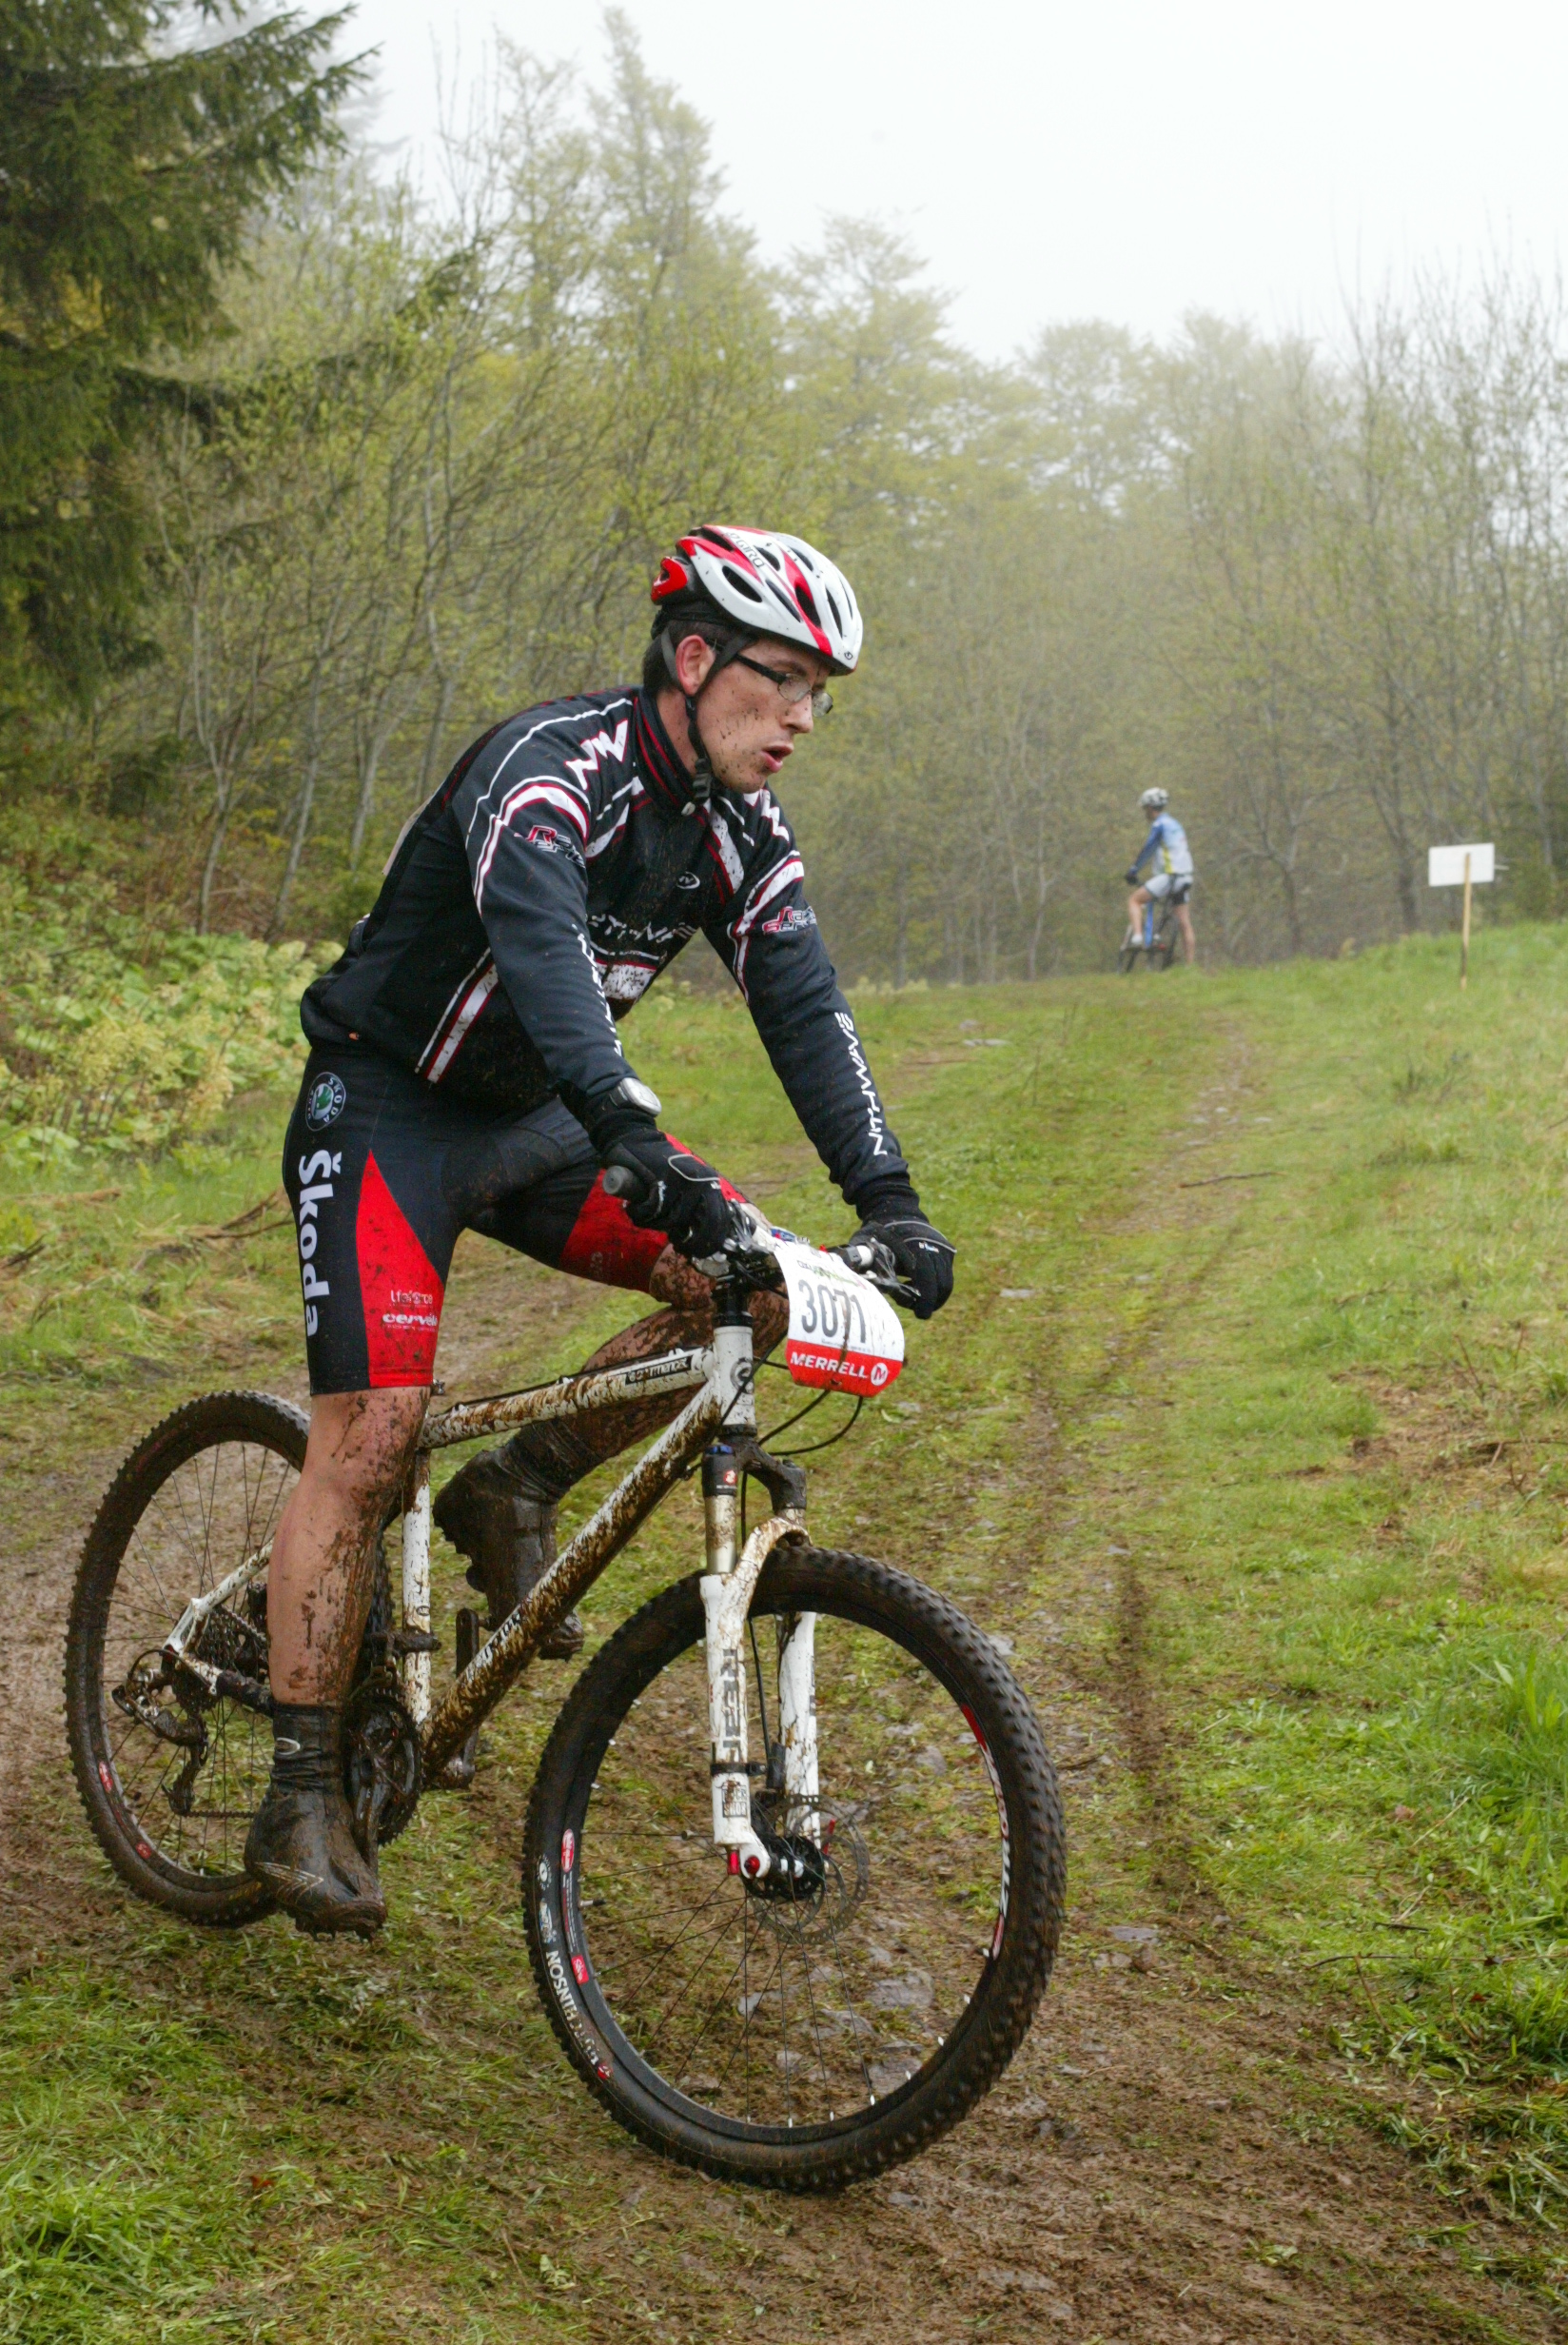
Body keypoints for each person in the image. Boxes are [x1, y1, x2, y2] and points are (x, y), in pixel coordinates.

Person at [244, 524, 956, 1935]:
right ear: (693, 659)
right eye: (781, 681)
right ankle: (299, 1787)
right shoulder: (553, 769)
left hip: (539, 1123)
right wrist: (628, 1123)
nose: (803, 718)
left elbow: (804, 1006)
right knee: (374, 1433)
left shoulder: (741, 827)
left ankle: (517, 1482)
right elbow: (541, 951)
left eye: (821, 693)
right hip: (387, 1107)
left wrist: (889, 1199)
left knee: (751, 1285)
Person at [1125, 787, 1196, 963]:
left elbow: (1148, 849)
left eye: (1145, 808)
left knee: (1134, 900)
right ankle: (1190, 965)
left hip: (1170, 877)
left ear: (1150, 808)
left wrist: (1133, 870)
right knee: (1184, 923)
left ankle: (1137, 938)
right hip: (1186, 877)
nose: (1145, 812)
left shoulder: (1159, 825)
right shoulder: (1175, 824)